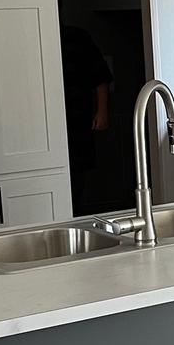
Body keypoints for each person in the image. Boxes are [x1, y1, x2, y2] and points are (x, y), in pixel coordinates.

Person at [60, 22, 113, 214]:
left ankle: (75, 214)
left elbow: (101, 78)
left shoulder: (77, 36)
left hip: (77, 118)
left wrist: (102, 112)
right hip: (44, 120)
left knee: (77, 176)